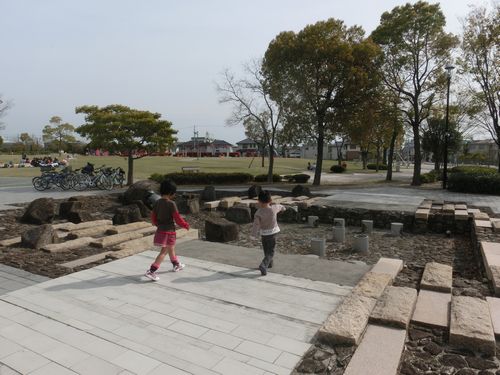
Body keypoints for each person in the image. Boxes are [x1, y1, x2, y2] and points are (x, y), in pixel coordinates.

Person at [145, 179, 190, 281]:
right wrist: (185, 225)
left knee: (171, 248)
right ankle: (151, 271)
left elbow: (153, 217)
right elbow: (177, 218)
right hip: (168, 231)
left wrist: (157, 224)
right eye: (174, 193)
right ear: (170, 193)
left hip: (161, 230)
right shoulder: (171, 204)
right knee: (164, 252)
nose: (174, 195)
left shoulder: (157, 203)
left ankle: (176, 265)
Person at [251, 190, 286, 276]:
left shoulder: (258, 213)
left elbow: (256, 225)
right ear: (270, 201)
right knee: (271, 252)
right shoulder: (274, 208)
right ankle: (263, 265)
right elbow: (281, 207)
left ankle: (269, 264)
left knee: (266, 250)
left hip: (264, 234)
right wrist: (284, 209)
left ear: (258, 201)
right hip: (272, 234)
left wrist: (253, 235)